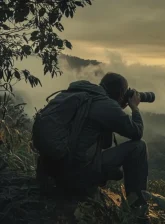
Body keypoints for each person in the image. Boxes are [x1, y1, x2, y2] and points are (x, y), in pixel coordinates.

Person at [32, 72, 150, 221]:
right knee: (139, 147)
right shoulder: (106, 105)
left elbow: (105, 143)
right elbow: (137, 132)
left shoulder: (76, 94)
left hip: (51, 171)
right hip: (75, 176)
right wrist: (134, 108)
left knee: (115, 170)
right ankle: (137, 209)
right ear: (121, 94)